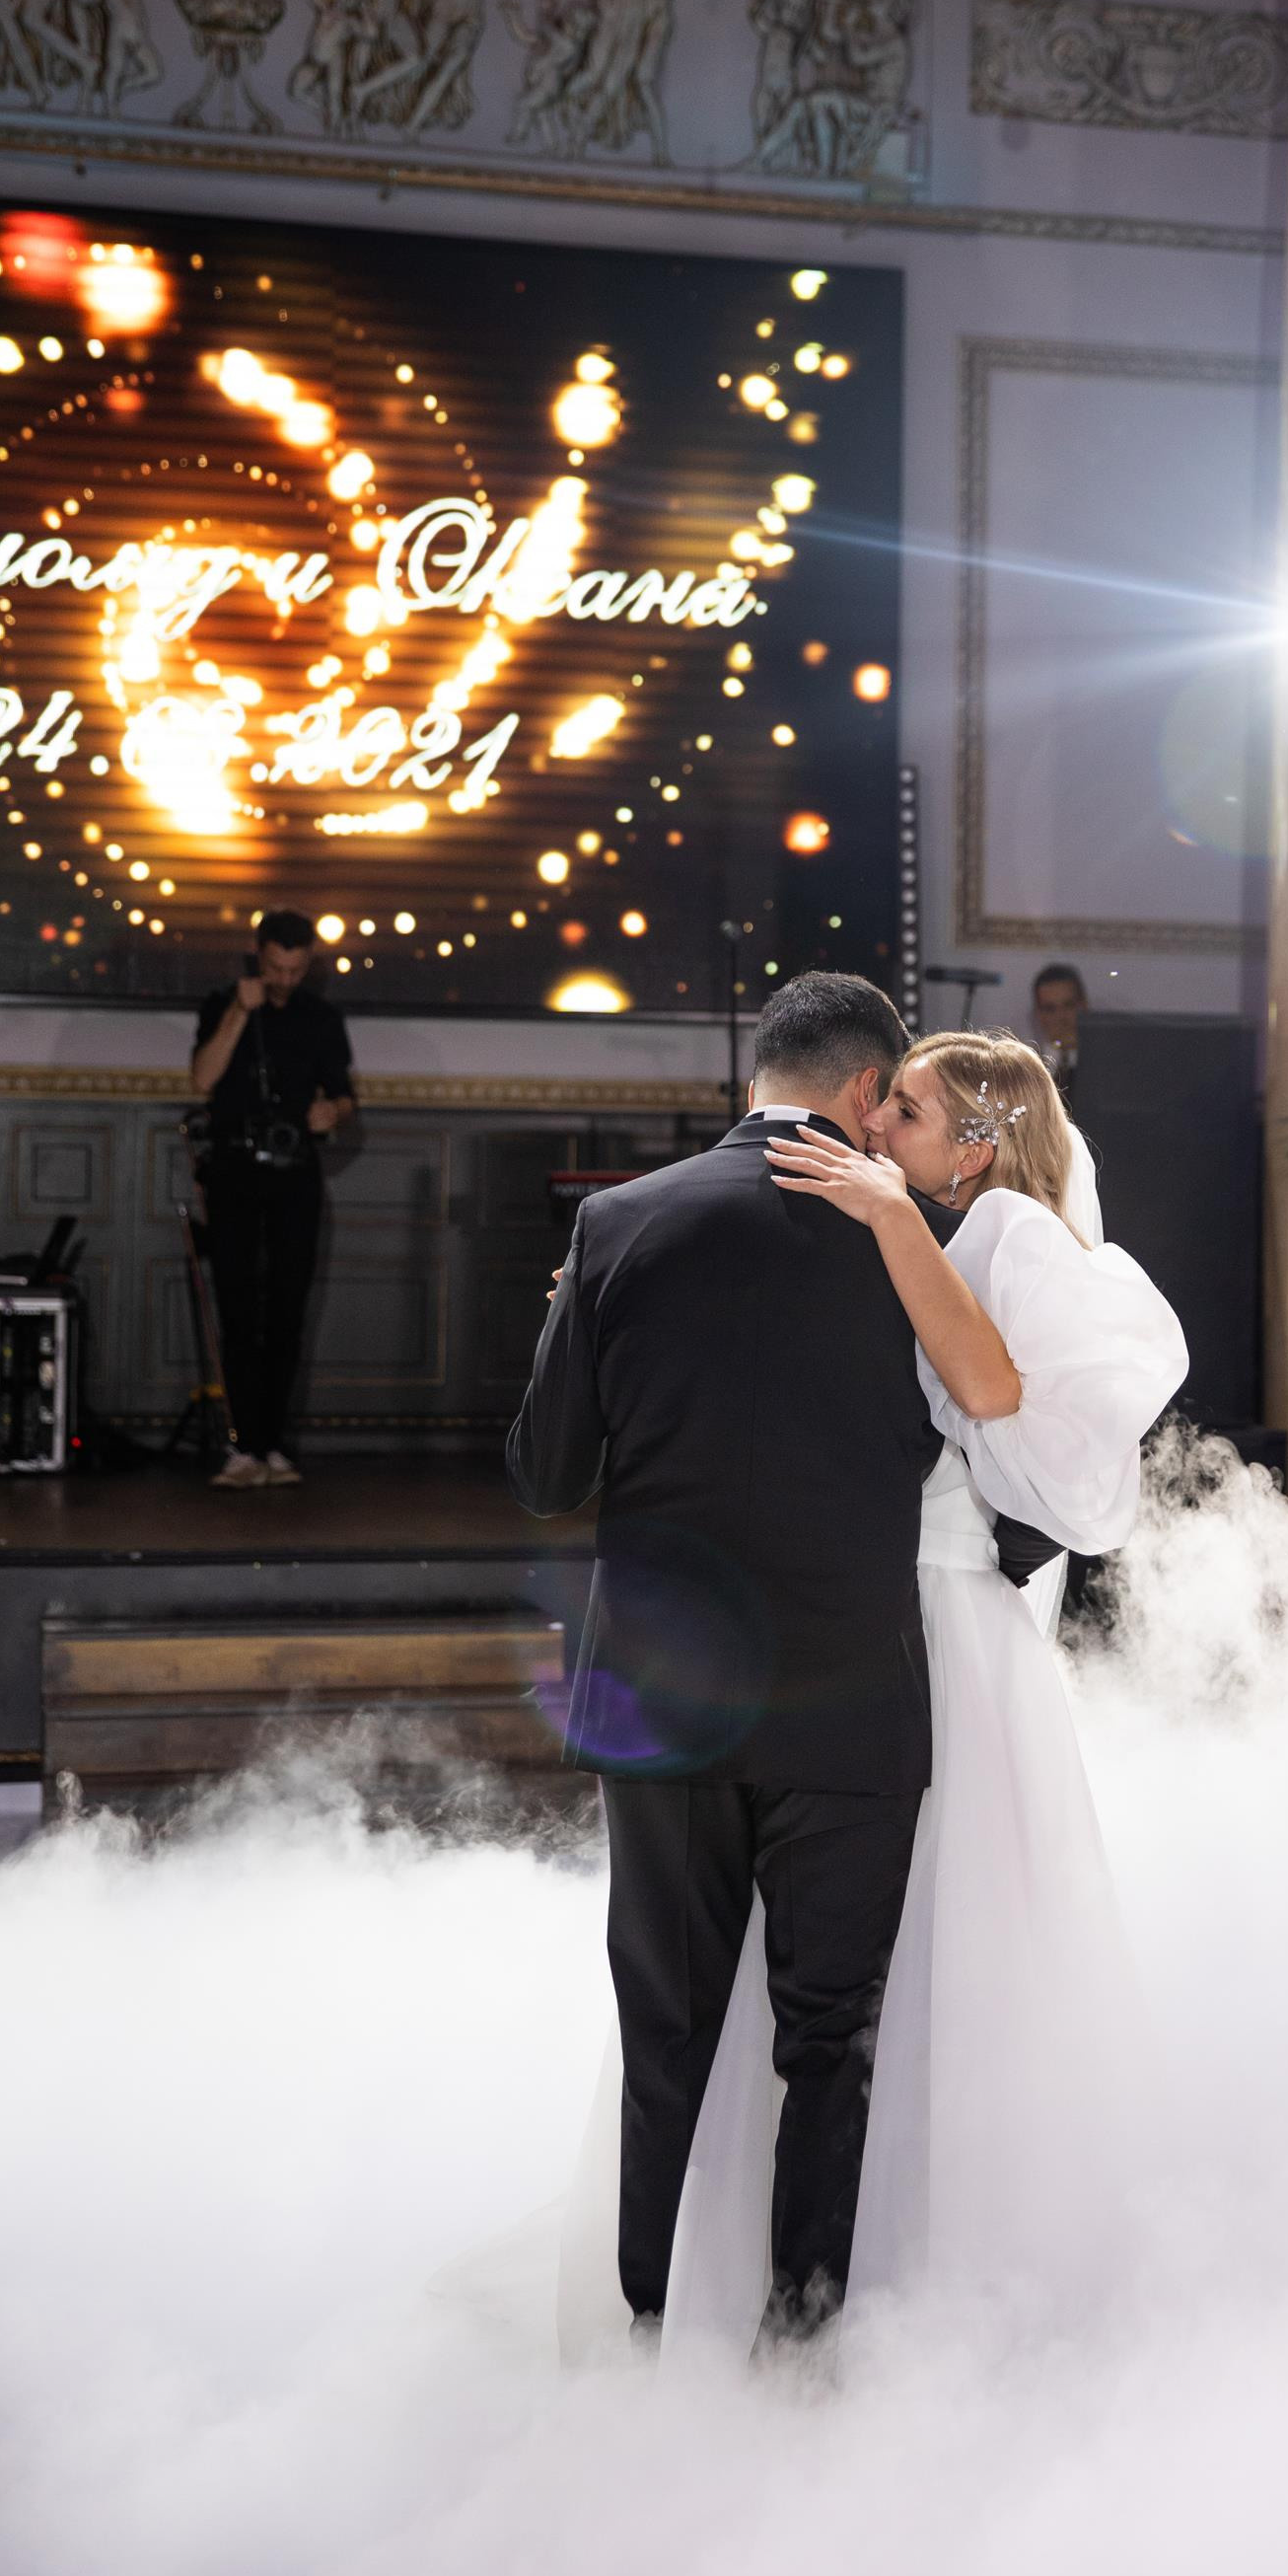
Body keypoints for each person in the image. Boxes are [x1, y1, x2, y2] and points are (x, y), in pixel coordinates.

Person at [537, 1012, 1185, 2363]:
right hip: (858, 1668)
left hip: (770, 1662)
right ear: (849, 1086)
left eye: (909, 1112)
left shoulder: (657, 1225)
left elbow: (548, 1475)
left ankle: (686, 2310)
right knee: (831, 2024)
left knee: (711, 2009)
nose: (880, 1129)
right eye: (883, 1102)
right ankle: (800, 2318)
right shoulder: (907, 1239)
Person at [189, 908, 355, 1492]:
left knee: (287, 1310)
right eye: (276, 967)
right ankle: (243, 1448)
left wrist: (330, 1112)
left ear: (308, 962)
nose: (285, 979)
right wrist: (241, 1010)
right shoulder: (223, 1003)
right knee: (238, 1310)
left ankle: (276, 1444)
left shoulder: (321, 1017)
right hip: (234, 1172)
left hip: (295, 1176)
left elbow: (345, 1096)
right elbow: (202, 1079)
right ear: (259, 956)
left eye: (296, 969)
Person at [1030, 961, 1089, 1097]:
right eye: (1050, 1009)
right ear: (1038, 1014)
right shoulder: (1027, 1069)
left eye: (1069, 1005)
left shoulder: (1105, 1067)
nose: (1061, 1017)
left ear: (1084, 1006)